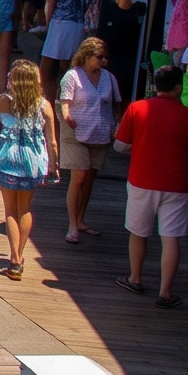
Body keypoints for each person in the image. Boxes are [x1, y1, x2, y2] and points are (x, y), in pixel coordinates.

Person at [114, 63, 188, 308]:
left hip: (142, 180)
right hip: (178, 184)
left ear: (156, 85)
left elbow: (120, 146)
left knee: (138, 232)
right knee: (171, 238)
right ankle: (165, 293)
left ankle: (135, 279)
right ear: (178, 88)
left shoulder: (136, 108)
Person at [0, 58, 58, 281]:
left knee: (10, 211)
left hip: (8, 160)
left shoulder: (4, 101)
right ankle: (20, 255)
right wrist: (53, 165)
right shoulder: (44, 105)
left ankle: (14, 259)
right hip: (32, 163)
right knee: (25, 209)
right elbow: (52, 142)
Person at [58, 36, 121, 245]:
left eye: (106, 57)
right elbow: (64, 101)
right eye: (99, 57)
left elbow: (117, 103)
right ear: (86, 56)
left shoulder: (109, 78)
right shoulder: (72, 76)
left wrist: (119, 123)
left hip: (101, 132)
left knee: (89, 179)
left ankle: (81, 219)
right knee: (79, 177)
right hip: (76, 131)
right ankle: (72, 225)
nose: (104, 61)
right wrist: (66, 115)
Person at [38, 0, 87, 89]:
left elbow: (51, 3)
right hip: (78, 25)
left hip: (60, 24)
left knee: (46, 70)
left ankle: (49, 99)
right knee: (70, 66)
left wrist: (48, 24)